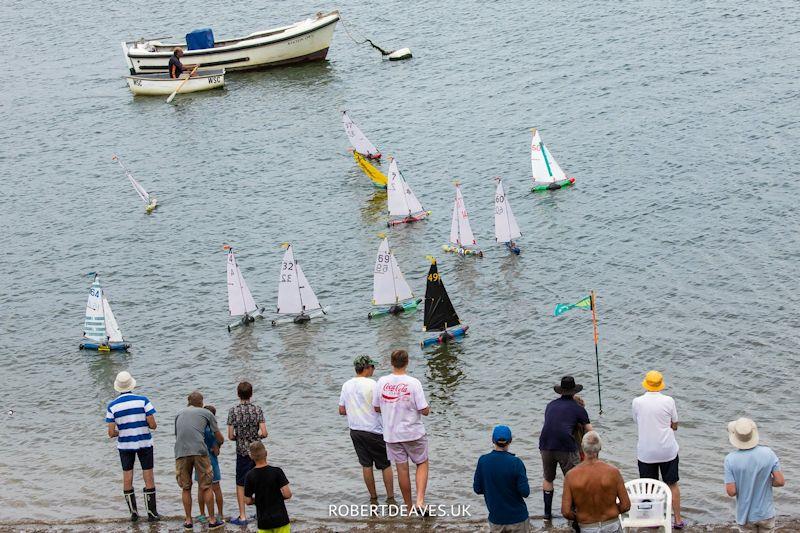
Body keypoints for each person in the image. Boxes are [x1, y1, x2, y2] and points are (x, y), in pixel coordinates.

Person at [373, 349, 430, 510]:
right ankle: (420, 501)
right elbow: (423, 409)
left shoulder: (381, 382)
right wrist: (428, 410)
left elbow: (376, 407)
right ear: (407, 362)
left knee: (402, 469)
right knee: (422, 462)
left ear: (392, 363)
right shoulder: (413, 382)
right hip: (413, 432)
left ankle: (409, 507)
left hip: (391, 434)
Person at [338, 355, 396, 506]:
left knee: (366, 465)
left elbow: (342, 410)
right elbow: (378, 407)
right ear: (366, 368)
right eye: (372, 367)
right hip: (374, 430)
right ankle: (390, 498)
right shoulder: (372, 384)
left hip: (355, 430)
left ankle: (373, 497)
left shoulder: (346, 385)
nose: (374, 370)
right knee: (385, 464)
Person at [105, 371, 160, 522]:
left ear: (118, 387)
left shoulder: (112, 406)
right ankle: (152, 513)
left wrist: (122, 431)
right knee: (148, 475)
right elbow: (153, 425)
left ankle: (134, 513)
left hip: (125, 445)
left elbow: (110, 433)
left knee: (127, 476)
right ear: (131, 385)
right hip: (144, 443)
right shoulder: (143, 400)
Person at [632, 370, 684, 529]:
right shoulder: (669, 401)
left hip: (646, 452)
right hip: (667, 450)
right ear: (661, 385)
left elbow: (636, 420)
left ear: (646, 384)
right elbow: (675, 424)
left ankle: (653, 520)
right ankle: (678, 519)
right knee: (672, 484)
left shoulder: (637, 402)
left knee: (649, 487)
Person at [539, 376, 592, 522]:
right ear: (574, 391)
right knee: (573, 479)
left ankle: (547, 515)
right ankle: (573, 512)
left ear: (560, 391)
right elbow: (590, 432)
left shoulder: (550, 405)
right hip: (565, 446)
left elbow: (554, 423)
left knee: (548, 478)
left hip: (545, 444)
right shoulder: (578, 409)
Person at [175, 391, 225, 531]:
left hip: (181, 452)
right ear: (201, 403)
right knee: (206, 486)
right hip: (199, 452)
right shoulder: (207, 413)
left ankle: (188, 521)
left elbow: (179, 435)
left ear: (188, 402)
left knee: (186, 488)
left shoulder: (179, 413)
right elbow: (219, 437)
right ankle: (212, 520)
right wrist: (218, 445)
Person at [562, 431, 631, 533]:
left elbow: (566, 512)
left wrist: (579, 516)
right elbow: (626, 505)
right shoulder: (613, 472)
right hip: (611, 524)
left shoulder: (571, 475)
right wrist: (612, 511)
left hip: (587, 526)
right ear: (600, 447)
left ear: (582, 447)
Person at [724, 418, 785, 532]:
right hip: (766, 513)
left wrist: (744, 482)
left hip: (745, 515)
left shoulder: (730, 459)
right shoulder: (768, 453)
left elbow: (731, 492)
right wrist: (764, 481)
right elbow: (780, 481)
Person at [473, 425, 531, 532]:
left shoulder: (483, 461)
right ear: (510, 441)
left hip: (496, 519)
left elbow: (477, 489)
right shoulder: (516, 463)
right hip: (518, 518)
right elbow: (525, 492)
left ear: (493, 440)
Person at [227, 381, 267, 526]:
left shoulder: (233, 411)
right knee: (259, 480)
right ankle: (260, 512)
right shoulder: (257, 410)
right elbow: (264, 432)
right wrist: (256, 437)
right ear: (251, 394)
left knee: (240, 483)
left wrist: (241, 438)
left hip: (242, 452)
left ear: (238, 394)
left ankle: (243, 516)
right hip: (257, 451)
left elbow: (230, 436)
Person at [245, 441, 292, 533]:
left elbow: (247, 501)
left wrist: (258, 499)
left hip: (263, 522)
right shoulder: (277, 471)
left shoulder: (249, 476)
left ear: (251, 457)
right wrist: (276, 497)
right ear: (266, 453)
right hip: (281, 519)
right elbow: (287, 494)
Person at [195, 405, 224, 524]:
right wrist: (217, 446)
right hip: (212, 460)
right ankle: (220, 514)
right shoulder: (213, 431)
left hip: (199, 460)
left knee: (201, 488)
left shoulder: (199, 429)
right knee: (216, 487)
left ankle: (202, 514)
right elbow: (217, 450)